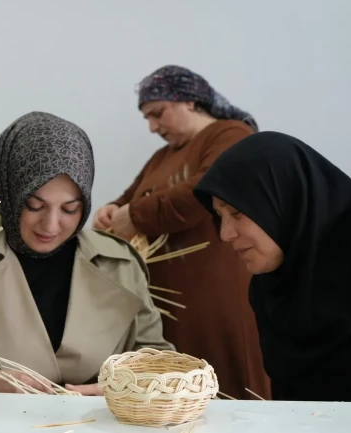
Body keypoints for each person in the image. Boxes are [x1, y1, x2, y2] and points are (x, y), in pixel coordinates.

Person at [0, 111, 173, 395]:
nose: (51, 225)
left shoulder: (120, 263)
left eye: (70, 209)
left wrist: (118, 389)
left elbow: (158, 361)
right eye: (34, 205)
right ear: (10, 192)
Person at [92, 65, 270, 400]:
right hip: (172, 301)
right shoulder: (163, 156)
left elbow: (202, 191)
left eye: (158, 114)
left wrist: (133, 215)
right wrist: (110, 211)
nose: (152, 127)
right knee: (180, 392)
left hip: (215, 292)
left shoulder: (231, 135)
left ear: (189, 101)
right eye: (147, 118)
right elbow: (132, 196)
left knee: (230, 384)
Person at [192, 131, 351, 401]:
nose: (225, 234)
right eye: (219, 217)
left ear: (284, 199)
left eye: (237, 213)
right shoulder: (272, 287)